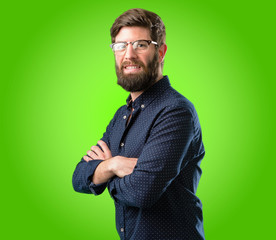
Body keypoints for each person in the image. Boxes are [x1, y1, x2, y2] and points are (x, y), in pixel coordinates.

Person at [72, 8, 205, 240]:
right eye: (120, 46)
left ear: (160, 52)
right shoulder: (121, 115)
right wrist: (113, 165)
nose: (128, 55)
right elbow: (78, 178)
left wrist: (103, 176)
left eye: (140, 45)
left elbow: (142, 193)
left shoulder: (175, 111)